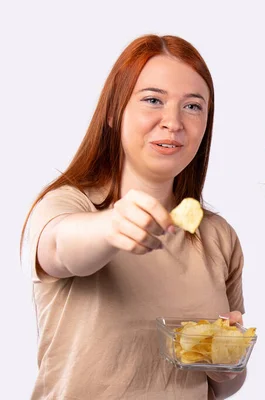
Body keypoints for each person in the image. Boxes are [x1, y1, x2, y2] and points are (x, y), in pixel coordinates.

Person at [21, 35, 246, 399]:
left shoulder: (218, 235)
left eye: (193, 107)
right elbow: (59, 249)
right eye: (153, 100)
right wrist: (111, 227)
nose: (173, 122)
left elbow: (225, 385)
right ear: (113, 112)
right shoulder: (68, 206)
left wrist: (226, 359)